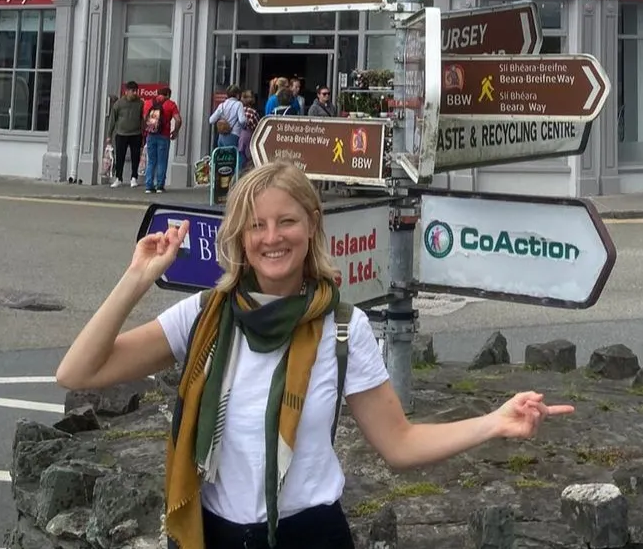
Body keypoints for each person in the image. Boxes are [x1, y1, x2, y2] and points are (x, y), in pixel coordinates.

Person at [55, 162, 572, 549]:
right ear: (240, 236)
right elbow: (78, 371)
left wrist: (494, 423)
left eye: (287, 221)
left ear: (311, 226)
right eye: (256, 225)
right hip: (210, 534)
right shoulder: (204, 315)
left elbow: (400, 444)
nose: (272, 238)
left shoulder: (343, 327)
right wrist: (137, 278)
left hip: (310, 534)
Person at [143, 86, 183, 194]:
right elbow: (178, 120)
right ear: (168, 95)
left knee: (151, 161)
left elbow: (144, 118)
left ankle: (148, 186)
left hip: (150, 135)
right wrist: (175, 131)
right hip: (164, 136)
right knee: (162, 161)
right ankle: (160, 186)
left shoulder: (148, 103)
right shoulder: (170, 104)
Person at [106, 81, 144, 188]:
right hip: (121, 134)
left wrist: (144, 133)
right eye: (133, 91)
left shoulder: (140, 103)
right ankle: (118, 178)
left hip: (136, 133)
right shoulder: (119, 103)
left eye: (136, 91)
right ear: (126, 91)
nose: (135, 93)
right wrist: (109, 135)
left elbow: (143, 119)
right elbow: (112, 120)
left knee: (135, 157)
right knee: (120, 156)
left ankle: (134, 178)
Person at [209, 85, 246, 150]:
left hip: (221, 136)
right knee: (233, 154)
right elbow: (242, 120)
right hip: (234, 135)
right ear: (237, 95)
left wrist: (221, 122)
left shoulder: (222, 105)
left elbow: (211, 120)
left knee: (222, 155)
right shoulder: (239, 104)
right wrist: (243, 126)